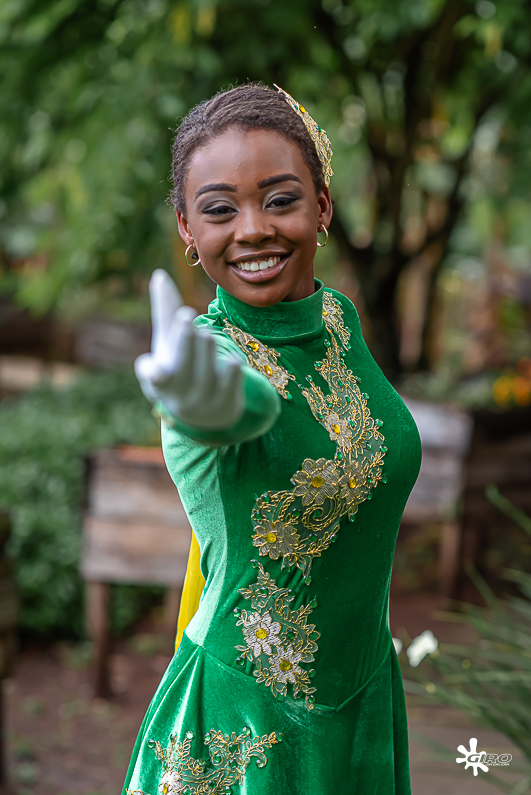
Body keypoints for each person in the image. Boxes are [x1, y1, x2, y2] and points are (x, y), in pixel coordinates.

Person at [124, 83, 422, 795]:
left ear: (322, 206)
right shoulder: (211, 358)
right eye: (219, 210)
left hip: (362, 703)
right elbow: (244, 405)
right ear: (187, 228)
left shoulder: (338, 322)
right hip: (245, 725)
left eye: (280, 199)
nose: (253, 229)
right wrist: (205, 400)